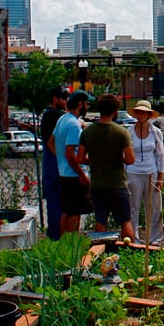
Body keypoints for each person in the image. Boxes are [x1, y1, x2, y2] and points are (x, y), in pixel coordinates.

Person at [77, 94, 136, 241]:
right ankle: (131, 252)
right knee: (125, 221)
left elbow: (80, 158)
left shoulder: (88, 132)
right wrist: (116, 157)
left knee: (101, 221)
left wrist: (95, 159)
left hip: (97, 184)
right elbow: (130, 159)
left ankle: (100, 250)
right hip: (117, 184)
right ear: (115, 111)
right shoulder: (121, 132)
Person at [50, 90, 93, 235]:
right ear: (80, 104)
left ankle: (64, 243)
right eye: (86, 103)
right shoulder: (74, 125)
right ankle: (73, 243)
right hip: (74, 176)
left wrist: (60, 158)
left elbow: (51, 142)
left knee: (66, 210)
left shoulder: (63, 119)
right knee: (75, 211)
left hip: (64, 173)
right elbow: (70, 153)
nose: (88, 107)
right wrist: (81, 174)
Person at [126, 100, 164, 244]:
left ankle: (154, 239)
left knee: (155, 206)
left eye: (143, 112)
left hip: (151, 172)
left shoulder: (156, 132)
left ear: (148, 115)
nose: (140, 115)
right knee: (133, 206)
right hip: (133, 171)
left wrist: (160, 176)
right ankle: (133, 238)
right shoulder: (129, 132)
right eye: (138, 112)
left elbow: (161, 155)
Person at [41, 86, 69, 240]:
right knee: (56, 203)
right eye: (63, 99)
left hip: (53, 164)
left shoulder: (50, 115)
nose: (65, 102)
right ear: (55, 99)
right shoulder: (53, 115)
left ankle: (56, 234)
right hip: (54, 165)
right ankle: (55, 235)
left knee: (58, 203)